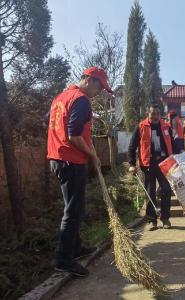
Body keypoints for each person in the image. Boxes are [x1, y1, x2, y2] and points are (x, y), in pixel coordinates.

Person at [47, 66, 112, 277]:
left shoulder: (61, 96)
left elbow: (47, 120)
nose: (100, 92)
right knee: (74, 210)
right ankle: (64, 259)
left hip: (58, 158)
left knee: (73, 206)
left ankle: (75, 248)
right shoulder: (81, 100)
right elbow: (74, 136)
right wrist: (92, 156)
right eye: (100, 87)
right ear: (89, 80)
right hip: (71, 161)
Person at [128, 104, 174, 231]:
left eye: (158, 114)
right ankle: (152, 220)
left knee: (166, 189)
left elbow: (173, 144)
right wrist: (132, 164)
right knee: (150, 192)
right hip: (148, 164)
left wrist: (179, 158)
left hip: (164, 163)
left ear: (160, 114)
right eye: (153, 113)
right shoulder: (141, 126)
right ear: (148, 113)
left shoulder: (166, 126)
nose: (155, 116)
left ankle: (165, 218)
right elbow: (132, 146)